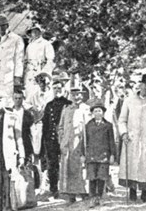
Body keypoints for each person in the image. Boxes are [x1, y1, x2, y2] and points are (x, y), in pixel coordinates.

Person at [118, 73, 146, 203]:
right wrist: (124, 133)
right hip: (132, 138)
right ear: (140, 85)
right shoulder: (129, 101)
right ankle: (132, 191)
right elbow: (122, 120)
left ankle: (145, 192)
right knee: (132, 165)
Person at [58, 76, 91, 204]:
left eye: (78, 94)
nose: (75, 97)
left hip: (80, 143)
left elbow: (88, 128)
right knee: (68, 168)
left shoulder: (86, 109)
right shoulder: (66, 110)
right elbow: (60, 126)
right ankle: (70, 194)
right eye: (73, 94)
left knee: (81, 168)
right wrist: (62, 138)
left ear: (82, 96)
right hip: (67, 143)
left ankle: (84, 192)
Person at [41, 70, 71, 199]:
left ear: (63, 89)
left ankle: (68, 189)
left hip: (65, 138)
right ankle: (54, 189)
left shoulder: (68, 104)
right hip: (52, 139)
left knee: (67, 163)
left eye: (59, 88)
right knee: (52, 165)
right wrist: (45, 141)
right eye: (55, 88)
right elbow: (46, 125)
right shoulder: (49, 105)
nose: (57, 90)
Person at [85, 98, 116, 207]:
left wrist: (112, 155)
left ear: (103, 112)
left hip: (104, 156)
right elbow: (85, 141)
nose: (98, 113)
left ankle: (100, 197)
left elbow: (112, 141)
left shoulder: (108, 125)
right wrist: (83, 155)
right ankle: (92, 198)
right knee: (92, 178)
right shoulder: (88, 125)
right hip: (91, 156)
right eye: (95, 111)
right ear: (92, 113)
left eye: (100, 111)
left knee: (102, 177)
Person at [24, 24, 55, 101]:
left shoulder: (46, 44)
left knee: (41, 95)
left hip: (41, 72)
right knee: (29, 95)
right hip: (30, 73)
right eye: (32, 31)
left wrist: (44, 73)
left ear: (40, 32)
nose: (34, 33)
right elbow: (26, 60)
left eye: (36, 31)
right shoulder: (29, 46)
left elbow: (50, 60)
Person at [11, 88, 34, 164]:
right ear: (13, 99)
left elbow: (32, 131)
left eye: (20, 98)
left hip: (25, 144)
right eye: (16, 98)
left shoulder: (28, 114)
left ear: (23, 99)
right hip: (12, 144)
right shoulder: (8, 113)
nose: (18, 100)